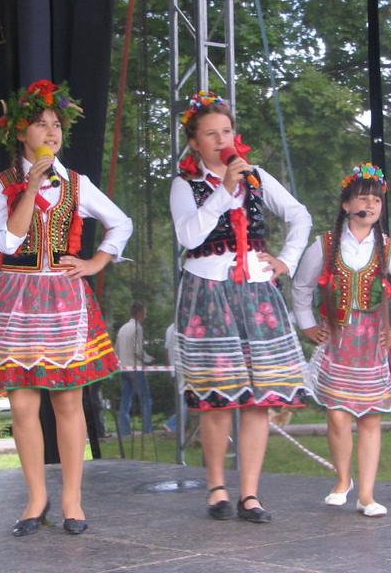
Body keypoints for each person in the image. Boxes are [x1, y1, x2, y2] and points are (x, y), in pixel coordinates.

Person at [0, 79, 133, 536]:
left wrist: (95, 262)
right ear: (19, 132)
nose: (51, 132)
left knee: (68, 401)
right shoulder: (2, 185)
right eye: (41, 124)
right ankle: (35, 498)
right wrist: (28, 188)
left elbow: (121, 222)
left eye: (56, 125)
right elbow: (8, 241)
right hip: (16, 299)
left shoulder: (77, 184)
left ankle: (72, 499)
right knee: (22, 405)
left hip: (63, 298)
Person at [170, 90, 312, 523]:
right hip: (208, 293)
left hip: (256, 292)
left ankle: (250, 493)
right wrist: (223, 191)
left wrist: (286, 260)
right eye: (211, 134)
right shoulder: (185, 184)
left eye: (226, 131)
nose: (221, 140)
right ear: (194, 142)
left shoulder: (257, 177)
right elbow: (189, 237)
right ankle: (217, 487)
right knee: (219, 397)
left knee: (259, 398)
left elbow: (300, 215)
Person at [292, 163, 391, 517]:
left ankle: (366, 494)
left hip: (371, 346)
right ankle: (342, 480)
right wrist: (307, 324)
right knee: (337, 417)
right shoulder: (325, 244)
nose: (370, 206)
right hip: (337, 341)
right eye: (363, 199)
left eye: (376, 201)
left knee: (369, 418)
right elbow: (301, 286)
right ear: (346, 204)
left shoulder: (390, 248)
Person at [115, 301, 155, 435]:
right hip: (135, 368)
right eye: (144, 312)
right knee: (145, 400)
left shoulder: (123, 328)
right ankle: (147, 429)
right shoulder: (137, 328)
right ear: (139, 313)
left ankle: (124, 431)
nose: (145, 315)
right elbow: (137, 351)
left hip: (123, 368)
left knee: (125, 400)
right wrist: (148, 360)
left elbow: (116, 350)